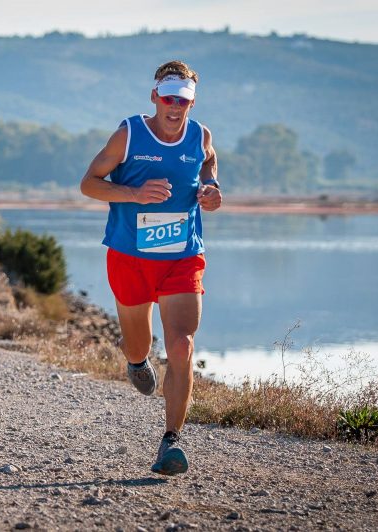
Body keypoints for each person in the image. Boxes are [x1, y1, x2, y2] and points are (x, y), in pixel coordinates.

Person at [80, 60, 222, 476]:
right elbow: (88, 183)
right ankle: (137, 362)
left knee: (181, 345)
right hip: (129, 256)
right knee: (138, 346)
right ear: (155, 97)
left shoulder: (200, 135)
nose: (176, 107)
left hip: (182, 256)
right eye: (169, 98)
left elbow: (208, 164)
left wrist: (212, 189)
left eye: (184, 101)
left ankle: (171, 441)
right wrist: (134, 194)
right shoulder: (129, 134)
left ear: (192, 103)